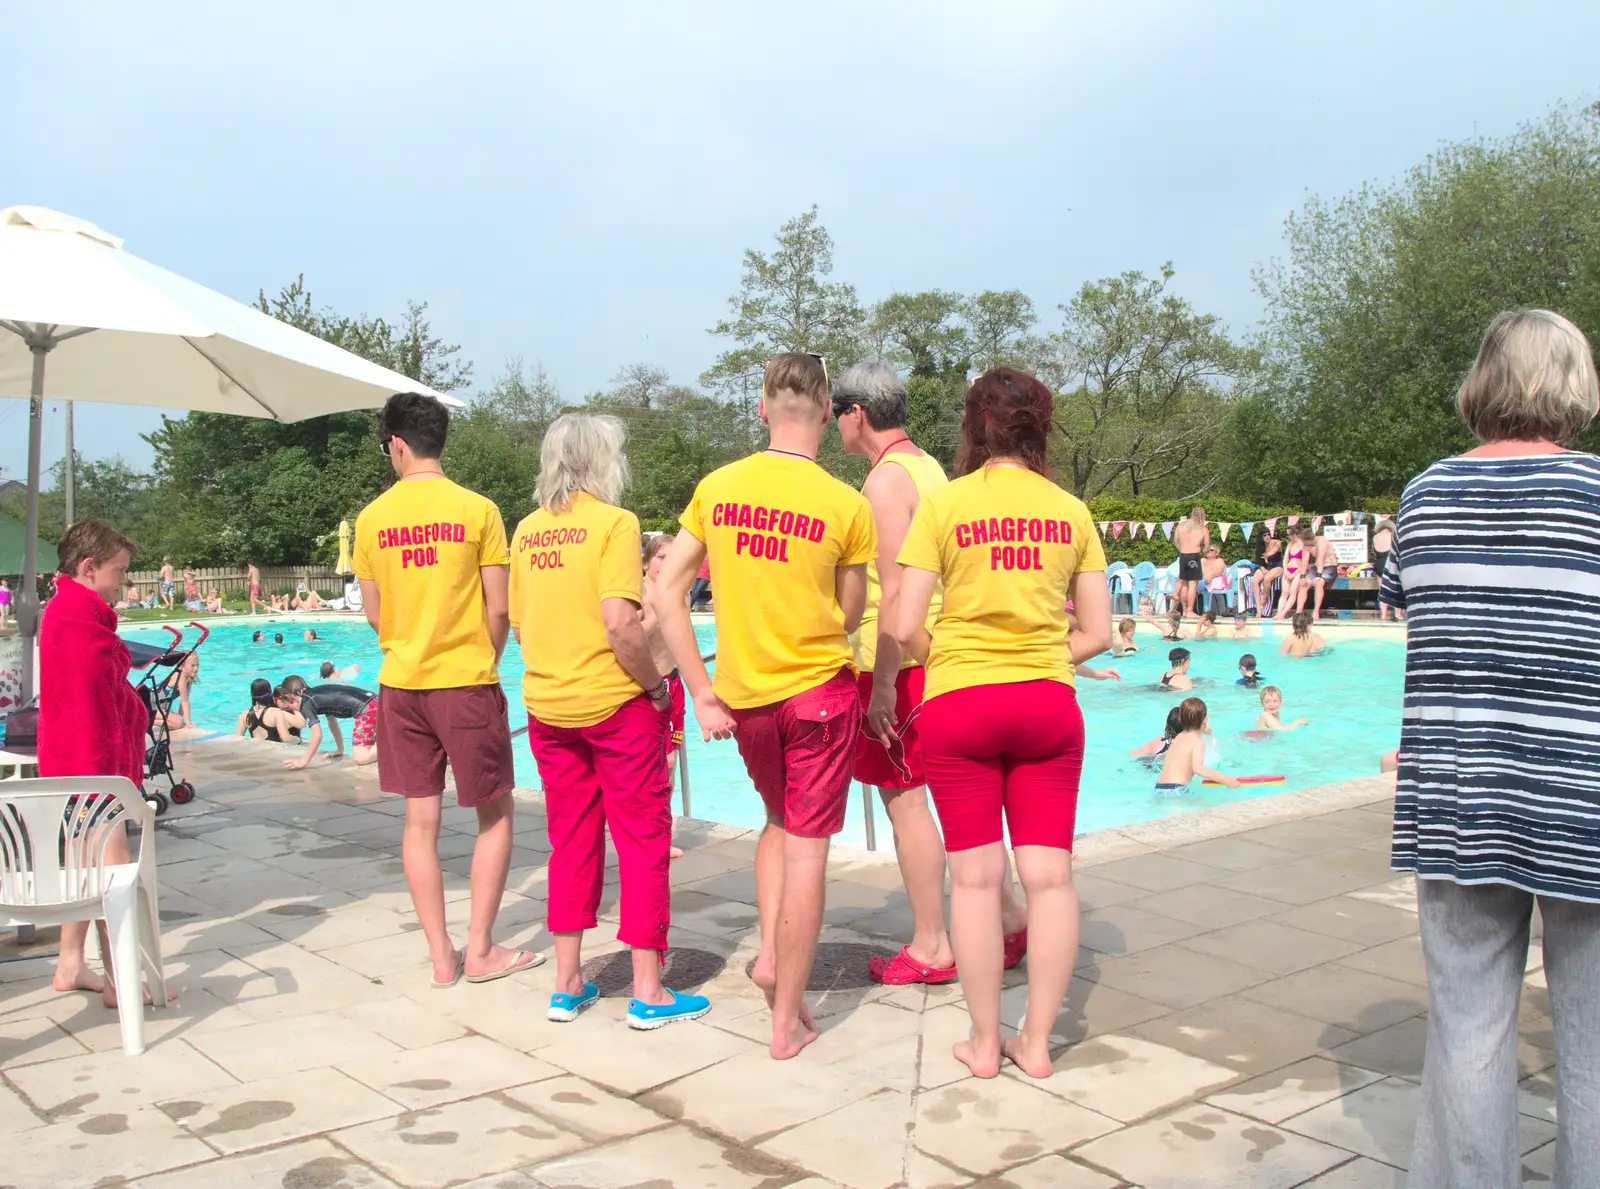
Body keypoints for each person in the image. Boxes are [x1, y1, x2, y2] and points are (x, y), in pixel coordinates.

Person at [1384, 309, 1600, 1187]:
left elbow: (1417, 616)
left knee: (1469, 1024)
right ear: (1574, 385)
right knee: (1591, 1032)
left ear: (1484, 383)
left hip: (1462, 791)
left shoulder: (1425, 494)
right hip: (1583, 789)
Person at [650, 353, 875, 1060]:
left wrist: (700, 688)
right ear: (828, 408)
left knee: (777, 822)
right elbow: (848, 611)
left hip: (745, 705)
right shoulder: (845, 502)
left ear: (763, 409)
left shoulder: (719, 487)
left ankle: (775, 959)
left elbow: (664, 593)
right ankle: (785, 1018)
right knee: (808, 850)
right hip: (817, 698)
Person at [891, 364, 1110, 1081]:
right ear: (1040, 428)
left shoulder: (946, 505)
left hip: (961, 704)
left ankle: (985, 1044)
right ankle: (1039, 1043)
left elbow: (901, 621)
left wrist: (949, 658)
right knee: (1049, 878)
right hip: (1047, 703)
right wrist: (1042, 657)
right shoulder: (1071, 511)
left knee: (977, 880)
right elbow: (1099, 634)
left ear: (972, 427)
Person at [511, 413, 709, 1030]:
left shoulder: (527, 530)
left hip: (548, 708)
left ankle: (567, 984)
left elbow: (520, 625)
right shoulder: (614, 524)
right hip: (613, 705)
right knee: (643, 840)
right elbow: (621, 622)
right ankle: (648, 990)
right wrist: (653, 688)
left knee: (571, 841)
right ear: (603, 461)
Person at [354, 391, 532, 987]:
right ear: (440, 442)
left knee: (419, 823)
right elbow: (499, 608)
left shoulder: (373, 519)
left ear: (397, 445)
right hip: (466, 680)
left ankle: (440, 956)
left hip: (400, 684)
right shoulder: (479, 510)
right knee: (495, 813)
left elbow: (375, 615)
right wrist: (484, 657)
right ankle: (480, 948)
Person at [833, 360, 959, 987]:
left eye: (838, 413)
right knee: (947, 803)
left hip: (900, 664)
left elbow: (893, 592)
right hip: (936, 656)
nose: (835, 425)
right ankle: (1008, 916)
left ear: (857, 413)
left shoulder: (884, 483)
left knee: (905, 802)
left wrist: (880, 685)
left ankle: (932, 943)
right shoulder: (928, 467)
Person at [41, 520, 162, 1009]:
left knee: (82, 866)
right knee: (113, 879)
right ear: (89, 569)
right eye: (120, 572)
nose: (123, 583)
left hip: (70, 767)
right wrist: (114, 788)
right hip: (92, 772)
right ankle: (122, 984)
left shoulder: (68, 611)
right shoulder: (76, 619)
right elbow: (97, 715)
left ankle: (71, 962)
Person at [638, 534, 686, 860]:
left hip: (675, 683)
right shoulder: (640, 591)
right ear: (647, 562)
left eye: (673, 558)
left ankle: (660, 834)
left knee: (670, 763)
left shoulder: (676, 591)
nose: (667, 565)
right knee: (656, 764)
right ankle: (649, 834)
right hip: (649, 687)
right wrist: (658, 612)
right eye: (661, 558)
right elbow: (632, 635)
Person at [277, 680, 378, 769]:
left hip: (367, 709)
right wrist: (340, 749)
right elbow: (332, 723)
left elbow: (317, 735)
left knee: (361, 758)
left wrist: (303, 761)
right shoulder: (317, 694)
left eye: (289, 701)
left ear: (291, 695)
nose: (289, 705)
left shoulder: (306, 704)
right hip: (375, 701)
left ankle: (392, 745)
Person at [1155, 698, 1241, 793]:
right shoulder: (1198, 741)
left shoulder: (1180, 737)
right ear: (1206, 719)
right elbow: (1198, 769)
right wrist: (1226, 780)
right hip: (1176, 789)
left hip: (1159, 788)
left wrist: (1203, 728)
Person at [1173, 507, 1208, 617]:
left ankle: (1183, 611)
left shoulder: (1181, 525)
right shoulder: (1203, 528)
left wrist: (1182, 549)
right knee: (1193, 585)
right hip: (1194, 556)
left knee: (1184, 584)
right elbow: (1207, 546)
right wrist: (1202, 551)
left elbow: (1176, 541)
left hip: (1183, 556)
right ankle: (1189, 611)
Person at [236, 677, 291, 742]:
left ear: (251, 694)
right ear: (270, 693)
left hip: (255, 750)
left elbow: (237, 739)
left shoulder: (245, 714)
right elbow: (286, 738)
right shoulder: (276, 712)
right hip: (273, 750)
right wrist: (299, 740)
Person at [1372, 519, 1405, 623]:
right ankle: (1398, 614)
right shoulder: (1392, 535)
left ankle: (1383, 614)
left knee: (1382, 591)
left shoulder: (1375, 537)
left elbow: (1375, 552)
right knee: (1396, 589)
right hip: (1390, 563)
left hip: (1378, 563)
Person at [1275, 527, 1312, 619]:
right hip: (1288, 569)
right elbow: (1285, 559)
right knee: (1284, 593)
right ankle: (1279, 613)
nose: (1287, 537)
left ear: (1294, 535)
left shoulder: (1303, 544)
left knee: (1292, 593)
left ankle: (1284, 612)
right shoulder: (1290, 544)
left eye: (1288, 535)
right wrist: (1286, 570)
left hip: (1298, 570)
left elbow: (1304, 562)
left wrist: (1295, 573)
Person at [1252, 528, 1284, 617]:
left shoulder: (1277, 542)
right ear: (1261, 537)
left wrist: (1267, 555)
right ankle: (1258, 608)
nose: (1267, 537)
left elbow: (1275, 550)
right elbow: (1259, 561)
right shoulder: (1260, 547)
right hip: (1266, 567)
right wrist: (1262, 569)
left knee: (1267, 578)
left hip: (1277, 566)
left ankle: (1264, 600)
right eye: (1264, 535)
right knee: (1255, 580)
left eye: (1268, 534)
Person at [1308, 529, 1338, 619]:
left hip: (1329, 566)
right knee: (1304, 583)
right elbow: (1305, 560)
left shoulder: (1321, 541)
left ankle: (1316, 611)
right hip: (1317, 567)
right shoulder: (1307, 545)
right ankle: (1298, 611)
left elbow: (1321, 557)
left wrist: (1318, 575)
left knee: (1318, 582)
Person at [1200, 544, 1229, 614]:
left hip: (1211, 582)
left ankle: (1206, 610)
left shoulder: (1219, 561)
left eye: (1211, 550)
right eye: (1207, 550)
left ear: (1217, 553)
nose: (1209, 551)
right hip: (1201, 581)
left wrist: (1208, 578)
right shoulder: (1202, 560)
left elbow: (1218, 572)